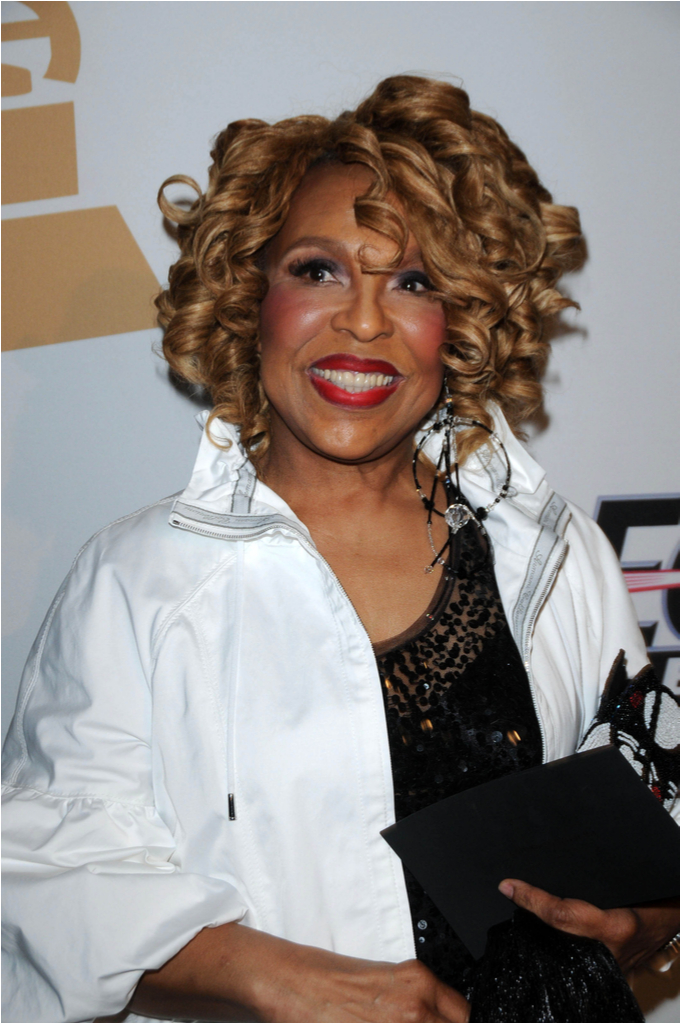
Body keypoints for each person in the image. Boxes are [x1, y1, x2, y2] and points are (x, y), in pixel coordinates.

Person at [2, 75, 679, 1024]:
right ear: (250, 295)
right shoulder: (139, 581)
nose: (363, 321)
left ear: (462, 321)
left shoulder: (555, 552)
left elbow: (649, 821)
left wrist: (645, 921)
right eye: (318, 270)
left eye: (414, 282)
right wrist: (278, 977)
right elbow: (49, 883)